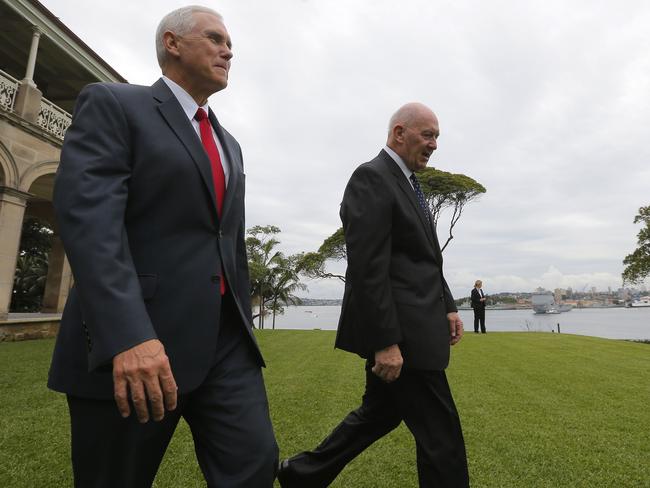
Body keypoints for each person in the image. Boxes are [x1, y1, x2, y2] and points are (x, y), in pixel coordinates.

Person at [47, 6, 278, 487]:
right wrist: (128, 335)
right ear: (173, 43)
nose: (228, 50)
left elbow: (227, 243)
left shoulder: (230, 144)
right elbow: (91, 223)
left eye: (229, 43)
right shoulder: (113, 105)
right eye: (215, 38)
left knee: (255, 464)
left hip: (226, 346)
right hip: (135, 344)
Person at [277, 103, 469, 487]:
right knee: (441, 438)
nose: (433, 145)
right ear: (399, 133)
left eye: (437, 137)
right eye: (427, 135)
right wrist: (385, 342)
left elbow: (425, 259)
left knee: (378, 414)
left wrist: (448, 306)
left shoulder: (412, 186)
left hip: (416, 326)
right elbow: (368, 268)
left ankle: (300, 475)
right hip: (405, 336)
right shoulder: (372, 178)